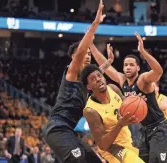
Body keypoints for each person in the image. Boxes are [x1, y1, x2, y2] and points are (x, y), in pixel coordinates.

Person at [90, 33, 167, 163]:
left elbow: (159, 72)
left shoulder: (143, 80)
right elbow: (105, 68)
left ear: (138, 68)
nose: (128, 67)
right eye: (125, 65)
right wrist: (90, 44)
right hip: (144, 130)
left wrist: (143, 52)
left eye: (131, 65)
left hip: (159, 128)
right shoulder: (122, 80)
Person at [41, 0, 107, 162]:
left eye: (89, 56)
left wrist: (109, 62)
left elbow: (99, 73)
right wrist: (95, 24)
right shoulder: (71, 73)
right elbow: (82, 51)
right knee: (77, 160)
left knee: (95, 160)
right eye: (84, 54)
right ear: (74, 58)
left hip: (68, 131)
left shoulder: (86, 82)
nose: (87, 56)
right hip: (56, 128)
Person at [81, 64, 145, 163]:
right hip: (112, 149)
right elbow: (103, 144)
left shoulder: (113, 89)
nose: (98, 79)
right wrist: (120, 124)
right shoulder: (90, 110)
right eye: (93, 79)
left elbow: (128, 112)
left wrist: (138, 103)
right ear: (88, 87)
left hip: (127, 141)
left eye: (99, 75)